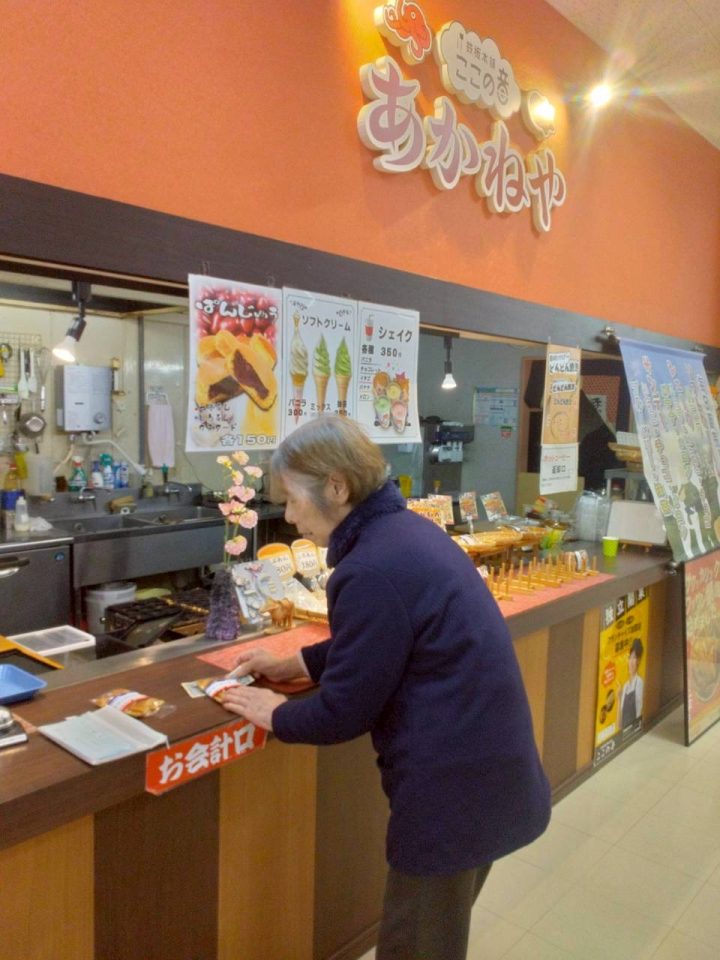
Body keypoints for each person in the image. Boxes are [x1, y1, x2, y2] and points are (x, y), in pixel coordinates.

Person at [221, 416, 551, 960]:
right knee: (433, 935)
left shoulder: (370, 566)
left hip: (454, 791)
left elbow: (343, 712)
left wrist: (273, 712)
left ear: (336, 487)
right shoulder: (405, 532)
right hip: (488, 772)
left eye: (293, 500)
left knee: (414, 944)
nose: (289, 516)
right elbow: (386, 642)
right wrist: (298, 663)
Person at [618, 638, 644, 730]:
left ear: (639, 661)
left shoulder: (639, 682)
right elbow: (619, 724)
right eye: (630, 657)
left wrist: (636, 731)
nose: (631, 661)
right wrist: (619, 698)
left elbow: (639, 711)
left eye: (634, 658)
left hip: (633, 731)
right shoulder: (625, 686)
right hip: (624, 732)